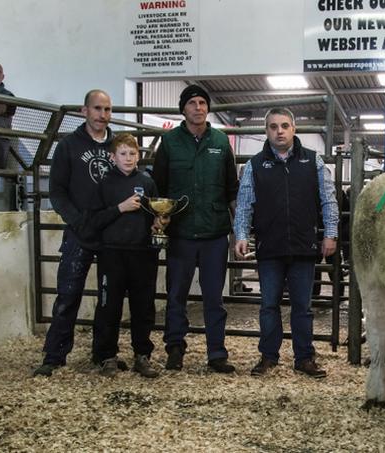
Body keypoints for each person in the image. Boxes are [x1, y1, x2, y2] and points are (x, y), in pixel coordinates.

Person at [234, 107, 339, 379]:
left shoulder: (313, 162)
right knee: (269, 304)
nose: (279, 131)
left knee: (302, 306)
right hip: (270, 247)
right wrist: (241, 235)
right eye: (272, 126)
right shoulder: (254, 166)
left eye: (284, 125)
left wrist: (331, 233)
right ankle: (269, 356)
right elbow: (245, 204)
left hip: (304, 246)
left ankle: (304, 358)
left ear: (293, 128)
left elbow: (329, 199)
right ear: (266, 131)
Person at [152, 84, 238, 373]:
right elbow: (159, 187)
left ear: (208, 108)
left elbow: (231, 189)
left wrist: (239, 229)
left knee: (215, 297)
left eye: (203, 102)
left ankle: (217, 353)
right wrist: (160, 218)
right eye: (192, 103)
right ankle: (175, 349)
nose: (198, 107)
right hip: (181, 231)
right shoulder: (169, 142)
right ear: (183, 109)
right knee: (176, 295)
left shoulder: (221, 142)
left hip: (214, 232)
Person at [33, 89, 115, 377]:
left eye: (107, 110)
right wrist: (76, 220)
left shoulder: (118, 145)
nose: (102, 115)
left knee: (108, 297)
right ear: (84, 111)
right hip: (79, 232)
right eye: (97, 109)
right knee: (68, 294)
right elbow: (57, 190)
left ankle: (104, 354)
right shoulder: (68, 145)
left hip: (111, 234)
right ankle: (55, 354)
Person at [88, 133, 160, 378]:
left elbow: (155, 213)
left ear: (138, 155)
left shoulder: (147, 183)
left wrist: (160, 222)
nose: (128, 158)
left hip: (142, 253)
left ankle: (142, 355)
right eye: (123, 154)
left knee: (143, 306)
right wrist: (121, 207)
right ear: (112, 157)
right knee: (110, 306)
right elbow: (94, 220)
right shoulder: (104, 184)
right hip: (112, 253)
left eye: (132, 153)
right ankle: (106, 355)